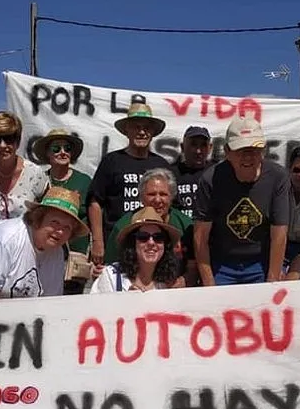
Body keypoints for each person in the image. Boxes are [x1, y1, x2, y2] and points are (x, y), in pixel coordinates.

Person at [193, 118, 291, 286]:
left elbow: (279, 233)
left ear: (263, 150)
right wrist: (209, 284)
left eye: (254, 149)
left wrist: (272, 281)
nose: (248, 156)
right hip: (221, 264)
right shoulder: (210, 180)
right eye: (240, 150)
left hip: (261, 262)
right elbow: (201, 235)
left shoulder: (278, 178)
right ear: (227, 152)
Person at [87, 103, 171, 268]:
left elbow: (170, 207)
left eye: (147, 128)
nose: (141, 132)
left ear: (153, 132)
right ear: (126, 130)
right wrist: (98, 241)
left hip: (151, 245)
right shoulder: (111, 161)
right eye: (136, 127)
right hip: (116, 243)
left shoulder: (162, 165)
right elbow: (95, 202)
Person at [104, 168, 195, 285]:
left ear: (172, 197)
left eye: (163, 194)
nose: (157, 200)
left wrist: (184, 280)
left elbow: (195, 265)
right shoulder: (123, 226)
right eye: (151, 194)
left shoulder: (186, 225)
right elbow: (112, 266)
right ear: (141, 197)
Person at [33, 129, 93, 291]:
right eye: (56, 149)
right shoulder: (40, 180)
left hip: (76, 254)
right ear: (47, 153)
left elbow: (93, 215)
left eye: (67, 148)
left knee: (73, 299)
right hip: (46, 253)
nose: (62, 152)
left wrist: (97, 248)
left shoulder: (84, 181)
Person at [91, 207, 184, 293]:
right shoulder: (111, 277)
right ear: (132, 243)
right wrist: (124, 300)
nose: (151, 243)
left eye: (158, 237)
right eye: (143, 237)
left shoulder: (169, 282)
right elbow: (96, 309)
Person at [173, 126, 212, 219]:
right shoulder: (172, 174)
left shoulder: (216, 173)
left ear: (210, 148)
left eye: (203, 145)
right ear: (182, 147)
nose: (198, 151)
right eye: (193, 145)